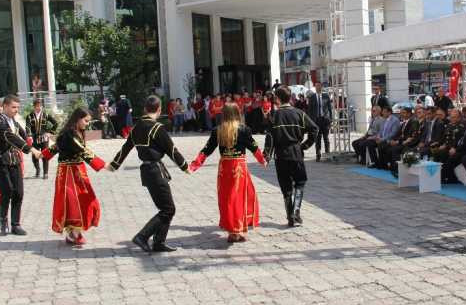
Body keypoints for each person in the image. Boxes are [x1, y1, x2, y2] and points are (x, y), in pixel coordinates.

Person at [108, 96, 190, 252]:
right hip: (155, 170)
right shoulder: (157, 128)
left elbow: (125, 149)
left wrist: (114, 165)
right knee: (168, 209)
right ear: (159, 109)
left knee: (165, 208)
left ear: (145, 109)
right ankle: (142, 236)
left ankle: (159, 243)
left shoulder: (137, 127)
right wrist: (185, 166)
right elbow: (171, 149)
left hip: (146, 171)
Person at [190, 104, 267, 242]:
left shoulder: (218, 130)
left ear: (223, 114)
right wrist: (262, 160)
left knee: (227, 199)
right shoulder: (244, 130)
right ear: (237, 113)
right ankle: (239, 230)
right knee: (239, 198)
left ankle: (232, 231)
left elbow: (206, 150)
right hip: (239, 168)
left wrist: (194, 165)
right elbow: (254, 147)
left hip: (225, 168)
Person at [41, 107, 106, 245]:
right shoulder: (69, 134)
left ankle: (74, 233)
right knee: (73, 202)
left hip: (78, 171)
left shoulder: (77, 132)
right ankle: (74, 233)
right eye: (86, 120)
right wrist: (102, 164)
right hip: (67, 173)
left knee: (85, 199)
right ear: (77, 119)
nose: (87, 123)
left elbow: (56, 147)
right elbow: (82, 150)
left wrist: (44, 154)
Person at [263, 87, 318, 227]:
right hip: (296, 153)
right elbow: (314, 129)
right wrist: (304, 146)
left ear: (278, 99)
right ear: (290, 98)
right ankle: (296, 212)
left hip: (280, 156)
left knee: (286, 187)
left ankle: (290, 215)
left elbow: (269, 137)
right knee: (300, 183)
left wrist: (266, 155)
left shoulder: (273, 116)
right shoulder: (300, 113)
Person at [0, 95, 42, 235]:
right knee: (7, 191)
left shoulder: (14, 121)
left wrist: (36, 145)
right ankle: (3, 221)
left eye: (18, 107)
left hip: (14, 160)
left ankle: (15, 224)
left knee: (18, 192)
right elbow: (9, 136)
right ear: (5, 106)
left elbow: (24, 135)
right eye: (13, 107)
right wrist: (30, 149)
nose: (16, 110)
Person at [25, 98, 58, 179]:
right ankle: (38, 169)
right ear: (34, 106)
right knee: (34, 156)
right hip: (34, 138)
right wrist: (29, 135)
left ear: (42, 106)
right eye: (37, 106)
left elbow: (56, 123)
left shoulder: (46, 115)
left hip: (44, 138)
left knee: (45, 155)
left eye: (40, 106)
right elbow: (27, 126)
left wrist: (50, 132)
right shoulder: (29, 116)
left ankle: (45, 173)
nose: (38, 107)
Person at [432, 109, 466, 181]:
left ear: (459, 118)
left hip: (456, 148)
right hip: (448, 147)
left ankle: (448, 177)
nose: (452, 119)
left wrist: (454, 148)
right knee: (436, 153)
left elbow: (461, 140)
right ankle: (436, 175)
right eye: (451, 117)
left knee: (445, 156)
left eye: (454, 117)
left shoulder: (462, 126)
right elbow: (445, 137)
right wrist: (442, 144)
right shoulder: (449, 125)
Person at [388, 107, 420, 176]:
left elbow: (410, 136)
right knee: (389, 147)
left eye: (403, 113)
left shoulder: (414, 121)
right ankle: (392, 167)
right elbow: (398, 134)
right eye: (401, 113)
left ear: (409, 114)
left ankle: (398, 170)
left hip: (410, 143)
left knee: (396, 149)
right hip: (403, 142)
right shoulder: (404, 122)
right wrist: (393, 140)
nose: (401, 114)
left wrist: (398, 142)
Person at [308, 82, 333, 162]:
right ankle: (318, 155)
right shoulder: (312, 97)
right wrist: (311, 122)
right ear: (315, 87)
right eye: (316, 86)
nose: (318, 87)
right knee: (318, 139)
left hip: (325, 120)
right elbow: (310, 110)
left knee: (326, 138)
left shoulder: (326, 96)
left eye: (319, 86)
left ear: (321, 87)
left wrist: (330, 119)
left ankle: (327, 155)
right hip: (316, 121)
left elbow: (330, 109)